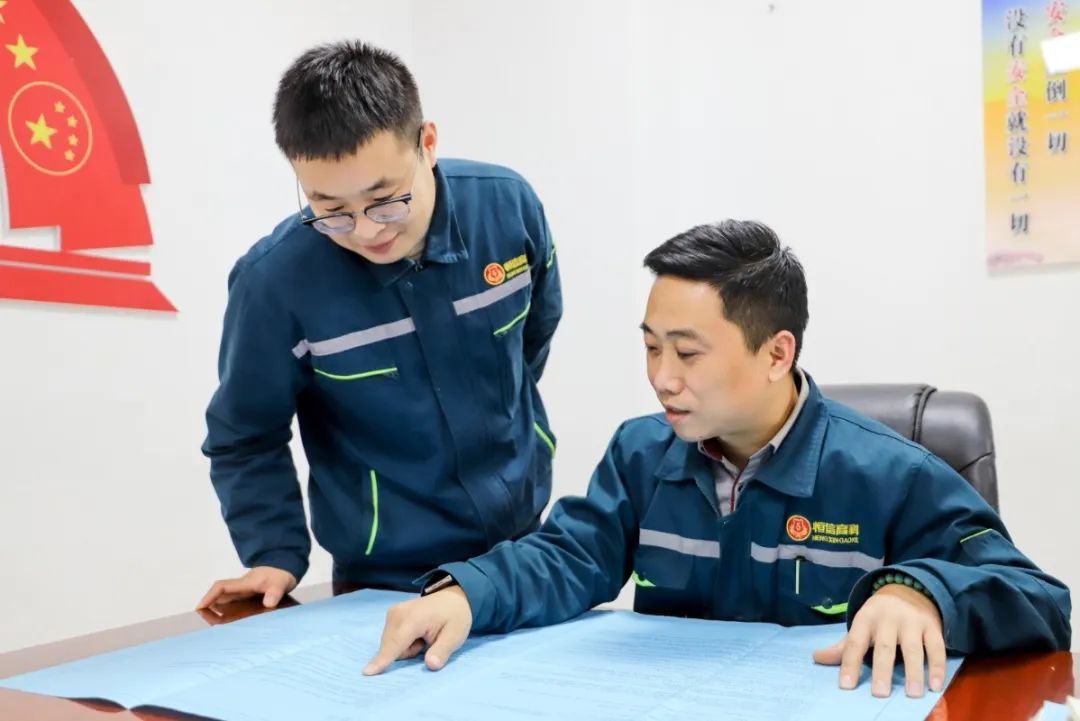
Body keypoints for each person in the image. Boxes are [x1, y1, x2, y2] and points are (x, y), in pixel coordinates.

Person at [364, 220, 1071, 698]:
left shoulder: (890, 473)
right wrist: (467, 592)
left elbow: (1040, 599)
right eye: (650, 347)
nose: (661, 377)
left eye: (688, 352)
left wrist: (920, 592)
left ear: (777, 353)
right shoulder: (642, 453)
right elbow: (567, 557)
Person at [197, 40, 562, 610]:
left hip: (520, 550)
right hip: (384, 582)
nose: (367, 230)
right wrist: (273, 551)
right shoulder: (274, 283)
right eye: (331, 209)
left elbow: (533, 334)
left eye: (385, 199)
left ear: (427, 144)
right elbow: (245, 434)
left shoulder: (507, 208)